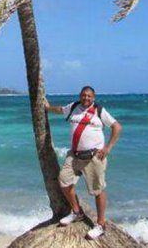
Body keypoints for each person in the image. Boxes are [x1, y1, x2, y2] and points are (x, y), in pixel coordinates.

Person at [45, 85, 122, 240]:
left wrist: (108, 147)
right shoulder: (73, 107)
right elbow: (60, 110)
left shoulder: (99, 111)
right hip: (74, 156)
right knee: (64, 181)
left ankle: (100, 224)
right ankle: (77, 212)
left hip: (94, 157)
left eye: (89, 96)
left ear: (93, 98)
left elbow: (117, 127)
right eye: (84, 95)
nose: (86, 98)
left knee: (97, 190)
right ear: (80, 96)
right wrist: (47, 108)